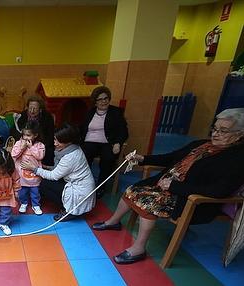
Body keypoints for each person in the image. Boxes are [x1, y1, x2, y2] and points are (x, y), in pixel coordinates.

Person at [92, 108, 244, 265]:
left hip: (190, 199)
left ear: (239, 135)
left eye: (223, 131)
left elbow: (219, 191)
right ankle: (114, 222)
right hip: (166, 187)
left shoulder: (237, 159)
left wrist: (175, 187)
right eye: (215, 128)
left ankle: (139, 248)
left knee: (147, 202)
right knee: (132, 189)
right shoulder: (202, 145)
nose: (215, 134)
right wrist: (143, 158)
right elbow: (171, 157)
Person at [21, 124, 95, 222]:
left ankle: (70, 211)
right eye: (55, 139)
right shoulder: (74, 148)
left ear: (68, 141)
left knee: (42, 184)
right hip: (80, 185)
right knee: (43, 180)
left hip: (80, 192)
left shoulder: (71, 156)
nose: (55, 143)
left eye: (58, 141)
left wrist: (34, 169)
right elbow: (62, 169)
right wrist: (46, 167)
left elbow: (54, 176)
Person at [80, 86, 128, 198]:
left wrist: (118, 143)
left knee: (108, 158)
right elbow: (82, 129)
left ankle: (100, 187)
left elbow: (124, 131)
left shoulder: (116, 112)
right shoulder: (90, 112)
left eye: (106, 98)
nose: (104, 101)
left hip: (107, 142)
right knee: (82, 156)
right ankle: (84, 183)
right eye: (100, 99)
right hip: (89, 142)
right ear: (95, 102)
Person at [11, 121, 45, 215]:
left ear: (35, 135)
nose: (26, 137)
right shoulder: (19, 143)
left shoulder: (40, 145)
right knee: (22, 192)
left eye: (28, 135)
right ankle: (23, 203)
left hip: (34, 175)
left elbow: (40, 156)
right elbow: (13, 155)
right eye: (24, 135)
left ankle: (36, 205)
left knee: (35, 192)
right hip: (21, 175)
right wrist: (22, 148)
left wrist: (31, 148)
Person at [12, 95, 55, 166]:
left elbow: (50, 136)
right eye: (30, 108)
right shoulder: (23, 115)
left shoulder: (47, 117)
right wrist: (23, 139)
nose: (32, 111)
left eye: (35, 109)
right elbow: (14, 130)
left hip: (41, 143)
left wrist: (37, 145)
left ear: (40, 109)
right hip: (24, 141)